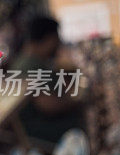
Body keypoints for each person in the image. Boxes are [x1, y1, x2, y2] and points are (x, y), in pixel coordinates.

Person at [9, 16, 85, 146]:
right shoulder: (28, 66)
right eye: (56, 38)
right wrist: (79, 101)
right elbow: (48, 105)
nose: (59, 43)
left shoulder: (33, 61)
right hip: (52, 136)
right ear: (49, 39)